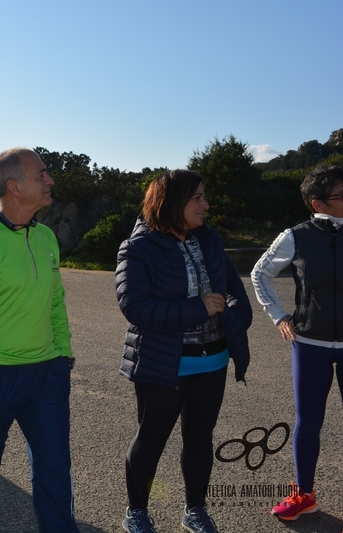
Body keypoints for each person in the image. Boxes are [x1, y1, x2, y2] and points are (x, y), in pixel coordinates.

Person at [0, 147, 80, 533]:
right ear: (14, 187)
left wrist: (63, 357)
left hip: (47, 376)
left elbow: (56, 302)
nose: (50, 179)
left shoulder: (46, 238)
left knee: (55, 468)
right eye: (41, 174)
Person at [115, 170, 252, 533]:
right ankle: (137, 512)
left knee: (199, 440)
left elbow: (235, 291)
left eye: (204, 196)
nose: (206, 205)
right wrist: (199, 307)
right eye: (197, 198)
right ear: (173, 201)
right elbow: (136, 307)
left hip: (213, 360)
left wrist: (236, 318)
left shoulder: (209, 239)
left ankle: (195, 510)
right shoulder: (138, 247)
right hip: (164, 362)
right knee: (150, 440)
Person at [250, 164, 343, 521]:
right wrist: (278, 315)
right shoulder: (295, 236)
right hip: (309, 342)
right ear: (319, 203)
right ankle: (304, 496)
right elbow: (260, 273)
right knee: (308, 423)